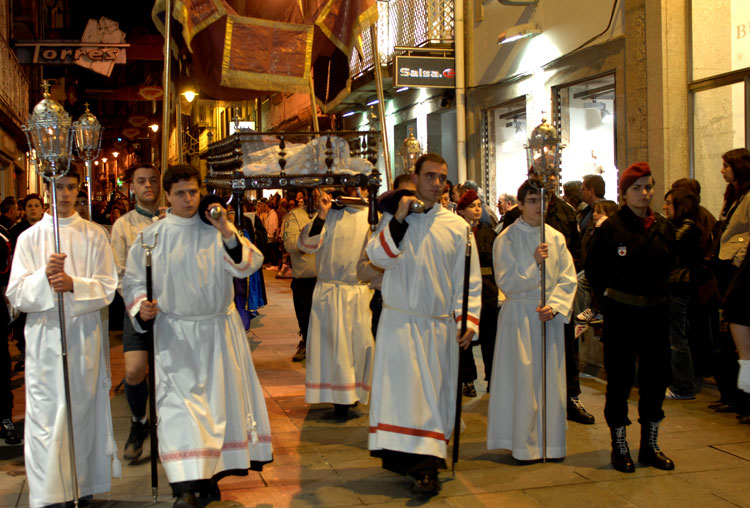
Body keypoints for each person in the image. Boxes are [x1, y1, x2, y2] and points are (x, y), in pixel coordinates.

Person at [123, 165, 272, 507]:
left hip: (217, 332)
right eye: (180, 193)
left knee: (217, 410)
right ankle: (185, 487)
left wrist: (227, 230)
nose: (188, 199)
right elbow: (131, 282)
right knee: (178, 409)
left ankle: (208, 476)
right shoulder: (152, 237)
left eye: (193, 191)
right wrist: (140, 307)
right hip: (174, 335)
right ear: (167, 196)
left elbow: (249, 264)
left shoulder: (216, 231)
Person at [365, 153, 481, 495]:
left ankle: (425, 464)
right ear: (414, 179)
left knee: (431, 397)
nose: (437, 183)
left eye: (442, 177)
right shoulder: (394, 220)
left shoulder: (457, 226)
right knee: (405, 398)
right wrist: (399, 219)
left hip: (438, 327)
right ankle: (418, 466)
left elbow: (468, 280)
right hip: (399, 324)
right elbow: (377, 257)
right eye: (429, 176)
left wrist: (468, 321)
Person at [7, 170, 119, 507]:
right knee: (46, 415)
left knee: (82, 412)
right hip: (44, 338)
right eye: (58, 187)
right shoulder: (29, 238)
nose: (66, 194)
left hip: (83, 336)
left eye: (71, 187)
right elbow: (16, 294)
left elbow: (108, 286)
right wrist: (45, 276)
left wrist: (74, 285)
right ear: (47, 189)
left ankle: (82, 486)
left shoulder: (95, 234)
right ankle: (49, 492)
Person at [586, 162, 676, 473]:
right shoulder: (612, 228)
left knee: (655, 379)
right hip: (622, 315)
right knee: (621, 380)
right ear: (624, 193)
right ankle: (619, 444)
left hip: (656, 314)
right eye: (637, 188)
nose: (645, 193)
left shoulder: (664, 227)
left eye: (648, 186)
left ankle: (650, 445)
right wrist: (607, 303)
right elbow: (595, 271)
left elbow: (672, 267)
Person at [487, 180, 577, 461]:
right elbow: (506, 280)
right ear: (521, 204)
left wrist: (556, 305)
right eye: (532, 201)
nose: (539, 207)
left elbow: (568, 277)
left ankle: (550, 444)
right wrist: (533, 261)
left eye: (543, 201)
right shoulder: (507, 238)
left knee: (548, 380)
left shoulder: (556, 237)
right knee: (522, 380)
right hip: (519, 317)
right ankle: (523, 444)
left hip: (546, 317)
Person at [298, 187, 374, 421]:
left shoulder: (371, 215)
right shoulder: (328, 214)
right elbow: (306, 245)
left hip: (357, 291)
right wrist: (321, 215)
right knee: (332, 349)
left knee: (358, 347)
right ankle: (338, 399)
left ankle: (352, 394)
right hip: (329, 292)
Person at [110, 163, 163, 461]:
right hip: (137, 308)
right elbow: (118, 273)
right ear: (132, 187)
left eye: (153, 180)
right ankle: (138, 421)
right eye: (141, 181)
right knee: (133, 371)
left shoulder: (173, 219)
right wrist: (138, 302)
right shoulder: (123, 225)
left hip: (170, 310)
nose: (148, 186)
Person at [711, 148, 750, 418]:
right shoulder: (733, 196)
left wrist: (739, 256)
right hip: (728, 265)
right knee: (731, 340)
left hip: (741, 267)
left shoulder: (747, 196)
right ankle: (736, 396)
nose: (722, 170)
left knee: (742, 343)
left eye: (726, 166)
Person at [455, 189, 499, 394]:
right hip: (463, 290)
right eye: (472, 206)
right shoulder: (457, 233)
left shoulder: (489, 234)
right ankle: (467, 379)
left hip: (488, 290)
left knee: (491, 338)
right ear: (462, 211)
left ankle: (493, 377)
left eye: (479, 206)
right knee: (464, 336)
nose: (477, 209)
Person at [662, 189, 704, 400]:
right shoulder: (679, 227)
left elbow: (667, 249)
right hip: (676, 287)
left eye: (669, 203)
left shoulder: (686, 228)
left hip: (679, 288)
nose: (665, 207)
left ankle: (683, 386)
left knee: (677, 338)